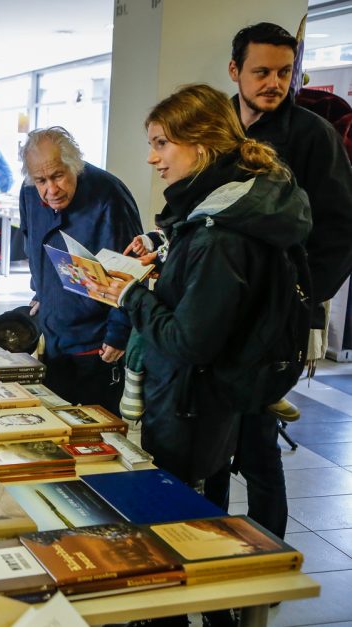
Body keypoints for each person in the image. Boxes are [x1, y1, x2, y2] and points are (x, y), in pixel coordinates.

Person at [93, 84, 311, 503]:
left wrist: (129, 294)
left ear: (204, 144)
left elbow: (188, 340)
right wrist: (162, 250)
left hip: (192, 402)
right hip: (212, 393)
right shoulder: (228, 206)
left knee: (182, 513)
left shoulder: (219, 236)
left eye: (162, 144)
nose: (152, 158)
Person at [200, 22, 352, 540]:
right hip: (212, 303)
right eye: (261, 71)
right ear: (234, 70)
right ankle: (207, 552)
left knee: (259, 445)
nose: (274, 82)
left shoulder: (312, 134)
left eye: (284, 72)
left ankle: (267, 559)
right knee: (211, 443)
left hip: (272, 318)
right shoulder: (212, 127)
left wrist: (302, 298)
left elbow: (341, 229)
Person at [18, 127, 142, 414]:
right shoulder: (28, 191)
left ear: (75, 165)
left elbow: (132, 269)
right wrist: (41, 291)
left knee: (97, 436)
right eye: (41, 180)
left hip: (97, 343)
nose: (51, 190)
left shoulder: (110, 195)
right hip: (54, 337)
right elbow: (33, 242)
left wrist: (119, 332)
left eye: (58, 176)